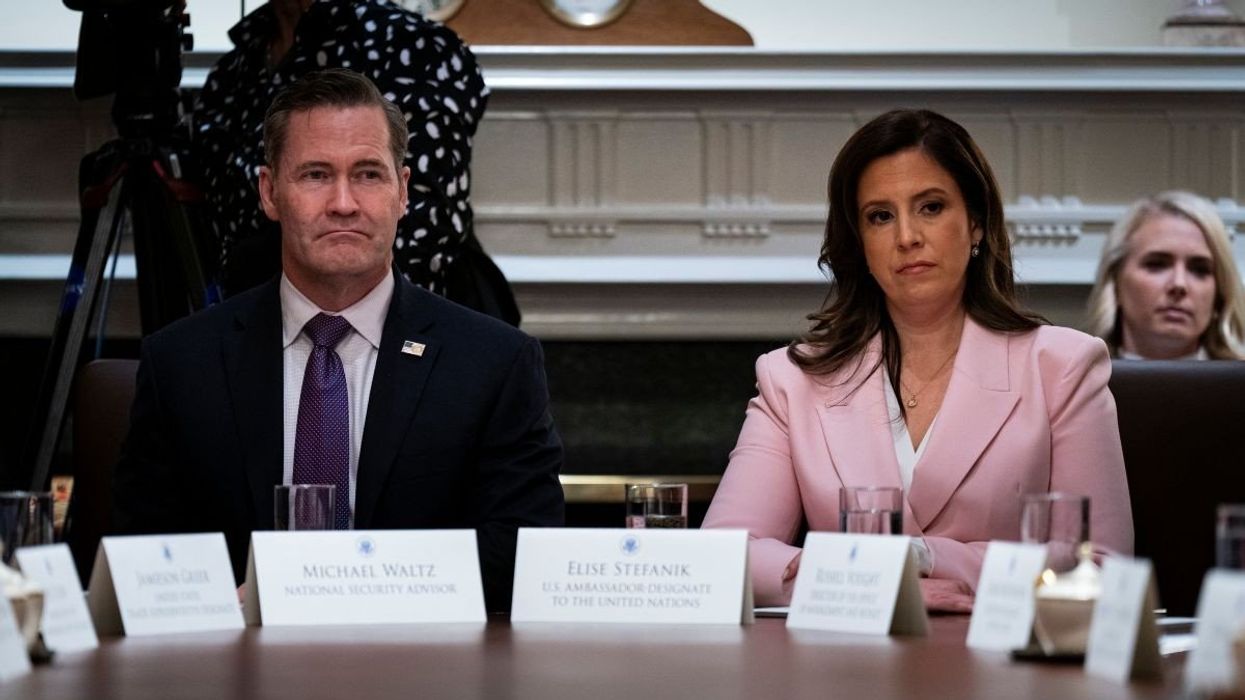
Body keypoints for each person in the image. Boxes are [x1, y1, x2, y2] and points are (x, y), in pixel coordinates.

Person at [114, 69, 563, 612]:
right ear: (269, 192)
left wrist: (339, 594)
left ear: (402, 192)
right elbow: (141, 552)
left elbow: (519, 554)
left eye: (369, 175)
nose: (344, 203)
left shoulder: (494, 363)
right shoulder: (181, 362)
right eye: (316, 175)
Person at [701, 109, 1134, 611]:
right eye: (880, 216)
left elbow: (1103, 569)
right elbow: (723, 555)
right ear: (860, 244)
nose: (907, 236)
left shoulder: (1063, 366)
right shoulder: (791, 380)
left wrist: (926, 558)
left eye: (930, 207)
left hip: (1005, 668)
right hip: (848, 667)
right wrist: (870, 580)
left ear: (976, 224)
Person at [196, 0, 519, 325]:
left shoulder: (411, 45)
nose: (342, 202)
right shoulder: (239, 63)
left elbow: (420, 232)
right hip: (255, 322)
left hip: (400, 334)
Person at [1087, 191, 1245, 360]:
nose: (1179, 284)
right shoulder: (1070, 381)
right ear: (1115, 281)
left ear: (1220, 293)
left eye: (1200, 270)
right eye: (1156, 265)